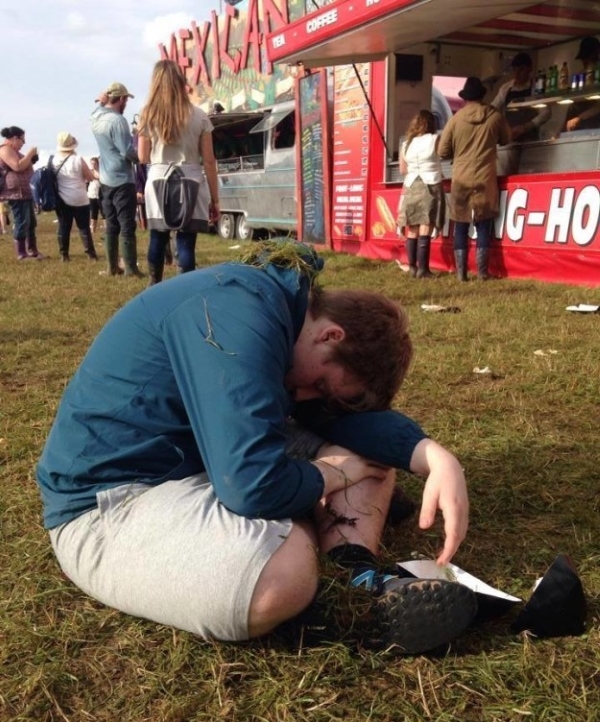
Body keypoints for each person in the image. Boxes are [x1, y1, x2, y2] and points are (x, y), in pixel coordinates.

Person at [36, 238, 477, 656]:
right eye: (322, 386)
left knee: (369, 460)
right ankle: (335, 600)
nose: (308, 398)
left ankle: (355, 574)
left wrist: (432, 455)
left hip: (191, 459)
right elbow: (251, 486)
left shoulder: (279, 314)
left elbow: (338, 424)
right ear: (330, 336)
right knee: (282, 576)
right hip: (107, 507)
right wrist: (331, 475)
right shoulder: (239, 314)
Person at [137, 60, 219, 285]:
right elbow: (209, 161)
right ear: (180, 82)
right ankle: (184, 288)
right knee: (186, 241)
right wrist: (215, 199)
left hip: (158, 179)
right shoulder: (199, 116)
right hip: (191, 179)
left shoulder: (147, 116)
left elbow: (143, 157)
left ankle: (154, 284)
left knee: (157, 237)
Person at [438, 77, 510, 281]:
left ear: (465, 98)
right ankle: (483, 272)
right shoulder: (494, 116)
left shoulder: (456, 120)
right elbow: (506, 139)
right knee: (484, 223)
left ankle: (461, 274)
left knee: (461, 225)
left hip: (461, 177)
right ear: (482, 96)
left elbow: (442, 151)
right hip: (485, 177)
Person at [90, 81, 144, 278]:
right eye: (126, 100)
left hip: (105, 179)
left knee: (111, 223)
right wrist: (142, 156)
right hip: (122, 178)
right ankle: (130, 268)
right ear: (121, 99)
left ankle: (111, 267)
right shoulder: (118, 121)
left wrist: (100, 101)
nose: (126, 104)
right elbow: (127, 151)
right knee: (127, 224)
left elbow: (95, 111)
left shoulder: (95, 118)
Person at [397, 109, 445, 279]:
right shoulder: (435, 139)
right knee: (426, 224)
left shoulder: (406, 144)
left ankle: (412, 267)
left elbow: (403, 169)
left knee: (412, 227)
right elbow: (444, 155)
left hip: (411, 185)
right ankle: (423, 269)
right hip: (429, 184)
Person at [0, 126, 45, 260]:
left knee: (30, 222)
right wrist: (30, 153)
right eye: (22, 140)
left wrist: (31, 159)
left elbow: (23, 165)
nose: (23, 144)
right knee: (22, 221)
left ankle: (32, 250)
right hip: (16, 193)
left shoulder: (14, 151)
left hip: (24, 192)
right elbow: (17, 166)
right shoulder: (5, 149)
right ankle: (21, 253)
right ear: (15, 138)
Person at [53, 132, 98, 263]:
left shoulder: (53, 160)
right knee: (84, 228)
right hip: (80, 198)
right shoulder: (78, 159)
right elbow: (90, 177)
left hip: (62, 199)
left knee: (63, 228)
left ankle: (64, 255)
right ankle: (91, 254)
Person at [490, 52, 551, 142]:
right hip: (510, 140)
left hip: (530, 141)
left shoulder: (536, 87)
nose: (517, 74)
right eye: (514, 70)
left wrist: (526, 127)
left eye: (521, 70)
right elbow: (493, 108)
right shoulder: (505, 88)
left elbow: (546, 113)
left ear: (529, 69)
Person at [565, 37, 600, 132]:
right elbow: (573, 104)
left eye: (588, 58)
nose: (585, 62)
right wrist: (559, 132)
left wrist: (580, 117)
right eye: (583, 59)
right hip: (578, 128)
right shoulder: (580, 75)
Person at [87, 157, 103, 235]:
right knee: (93, 213)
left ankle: (107, 231)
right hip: (92, 194)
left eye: (94, 163)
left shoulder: (102, 172)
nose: (93, 165)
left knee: (104, 213)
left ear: (98, 164)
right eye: (91, 164)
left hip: (101, 194)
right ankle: (92, 231)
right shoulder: (89, 172)